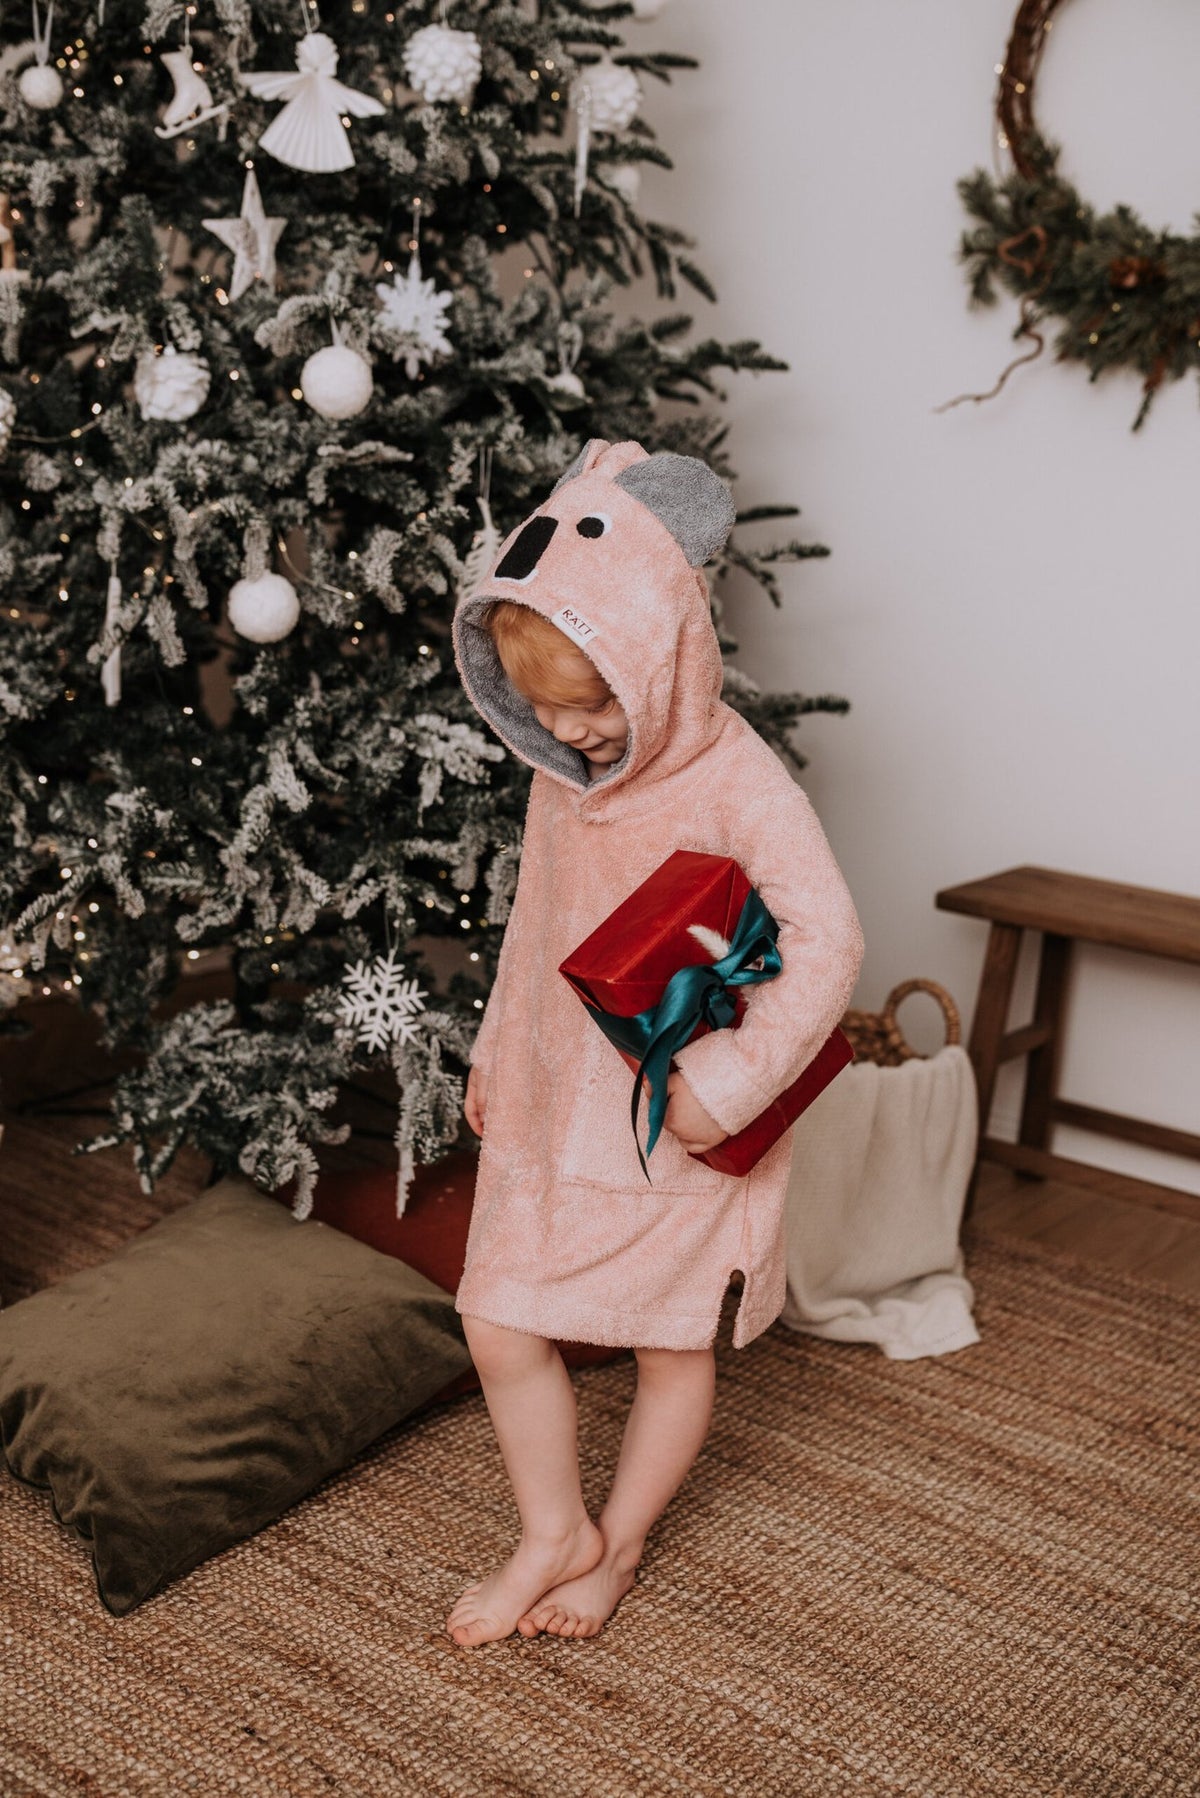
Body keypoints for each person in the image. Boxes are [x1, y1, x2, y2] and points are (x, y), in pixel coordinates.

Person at [446, 438, 863, 1647]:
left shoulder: (741, 781)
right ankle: (551, 1529)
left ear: (667, 651)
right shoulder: (562, 773)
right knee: (496, 1312)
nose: (571, 732)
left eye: (594, 700)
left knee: (667, 1344)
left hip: (675, 1113)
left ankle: (611, 1549)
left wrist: (722, 1088)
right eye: (545, 709)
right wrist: (490, 1051)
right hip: (550, 1096)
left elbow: (828, 941)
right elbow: (535, 922)